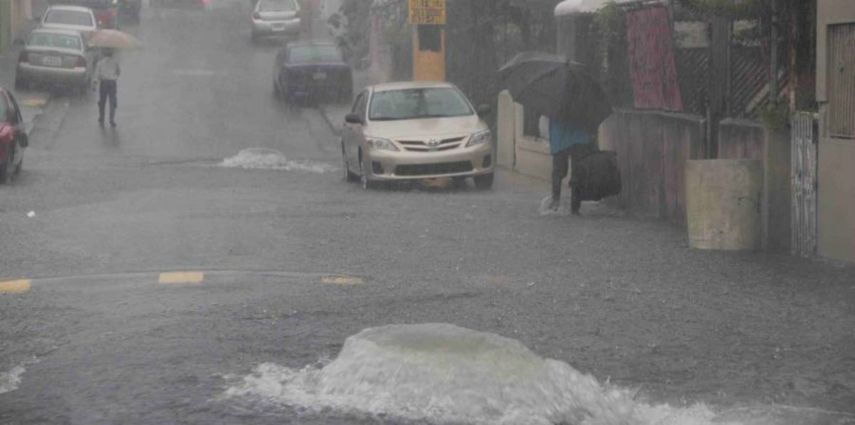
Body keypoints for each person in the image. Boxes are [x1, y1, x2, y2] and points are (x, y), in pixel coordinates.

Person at [548, 117, 596, 214]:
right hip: (578, 136)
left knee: (559, 171)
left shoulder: (557, 105)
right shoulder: (582, 104)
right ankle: (575, 206)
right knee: (576, 173)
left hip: (561, 136)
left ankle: (556, 201)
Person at [94, 48, 120, 127]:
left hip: (104, 83)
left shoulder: (100, 63)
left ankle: (101, 117)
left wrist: (94, 84)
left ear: (103, 53)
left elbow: (97, 74)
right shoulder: (115, 62)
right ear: (112, 54)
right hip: (112, 83)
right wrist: (114, 75)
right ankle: (111, 120)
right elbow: (118, 72)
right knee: (112, 101)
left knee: (102, 101)